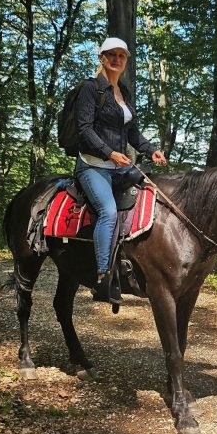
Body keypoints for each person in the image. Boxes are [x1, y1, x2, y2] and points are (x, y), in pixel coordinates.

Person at [74, 37, 167, 303]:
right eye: (111, 55)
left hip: (119, 168)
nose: (116, 59)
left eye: (121, 56)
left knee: (153, 193)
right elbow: (84, 129)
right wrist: (110, 153)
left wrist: (151, 150)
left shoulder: (123, 92)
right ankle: (103, 277)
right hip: (93, 165)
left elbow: (132, 132)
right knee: (109, 211)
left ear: (125, 61)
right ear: (101, 58)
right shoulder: (90, 89)